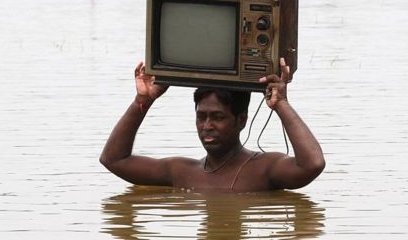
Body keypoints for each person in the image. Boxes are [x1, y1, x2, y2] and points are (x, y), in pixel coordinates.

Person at [99, 58, 325, 192]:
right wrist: (143, 100)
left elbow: (312, 164)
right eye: (201, 116)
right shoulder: (181, 172)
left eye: (218, 117)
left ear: (241, 120)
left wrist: (281, 104)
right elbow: (113, 160)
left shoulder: (264, 169)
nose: (207, 125)